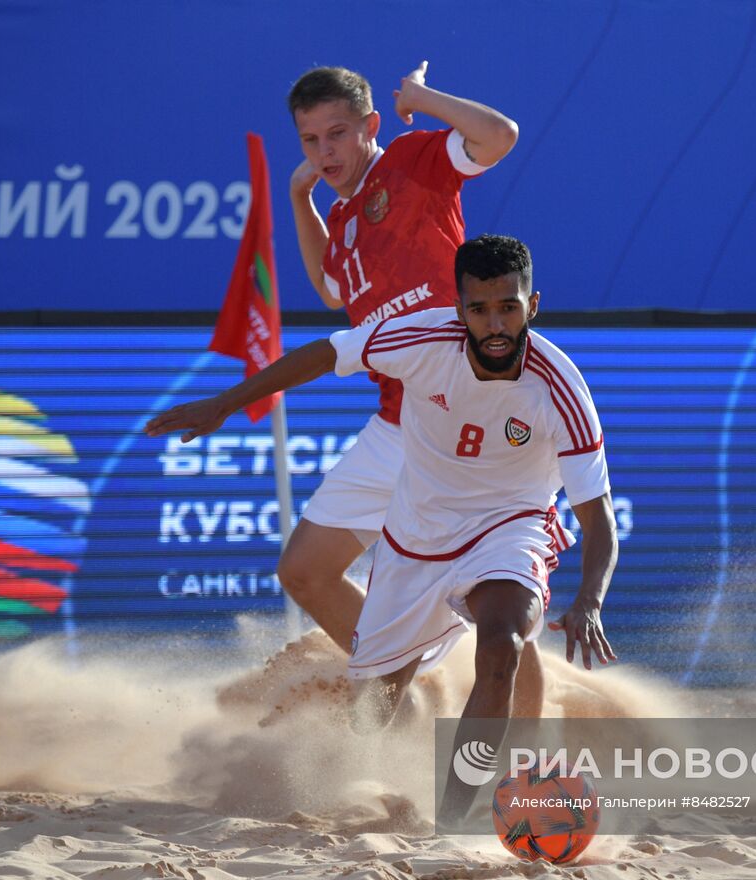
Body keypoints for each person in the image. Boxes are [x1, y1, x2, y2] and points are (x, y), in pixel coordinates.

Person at [146, 235, 618, 824]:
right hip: (416, 536)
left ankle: (455, 818)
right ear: (458, 309)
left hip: (510, 526)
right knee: (376, 704)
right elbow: (326, 352)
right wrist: (226, 401)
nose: (495, 323)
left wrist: (590, 601)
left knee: (503, 645)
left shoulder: (561, 388)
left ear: (533, 304)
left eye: (509, 307)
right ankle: (341, 781)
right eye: (479, 309)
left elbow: (598, 519)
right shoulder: (421, 338)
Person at [281, 63, 521, 672]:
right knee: (303, 572)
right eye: (310, 140)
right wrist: (299, 198)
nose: (324, 150)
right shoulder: (341, 216)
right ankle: (399, 674)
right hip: (396, 423)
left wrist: (423, 98)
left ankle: (517, 738)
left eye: (336, 133)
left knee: (487, 600)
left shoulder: (413, 161)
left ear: (371, 126)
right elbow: (331, 287)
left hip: (460, 418)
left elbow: (499, 135)